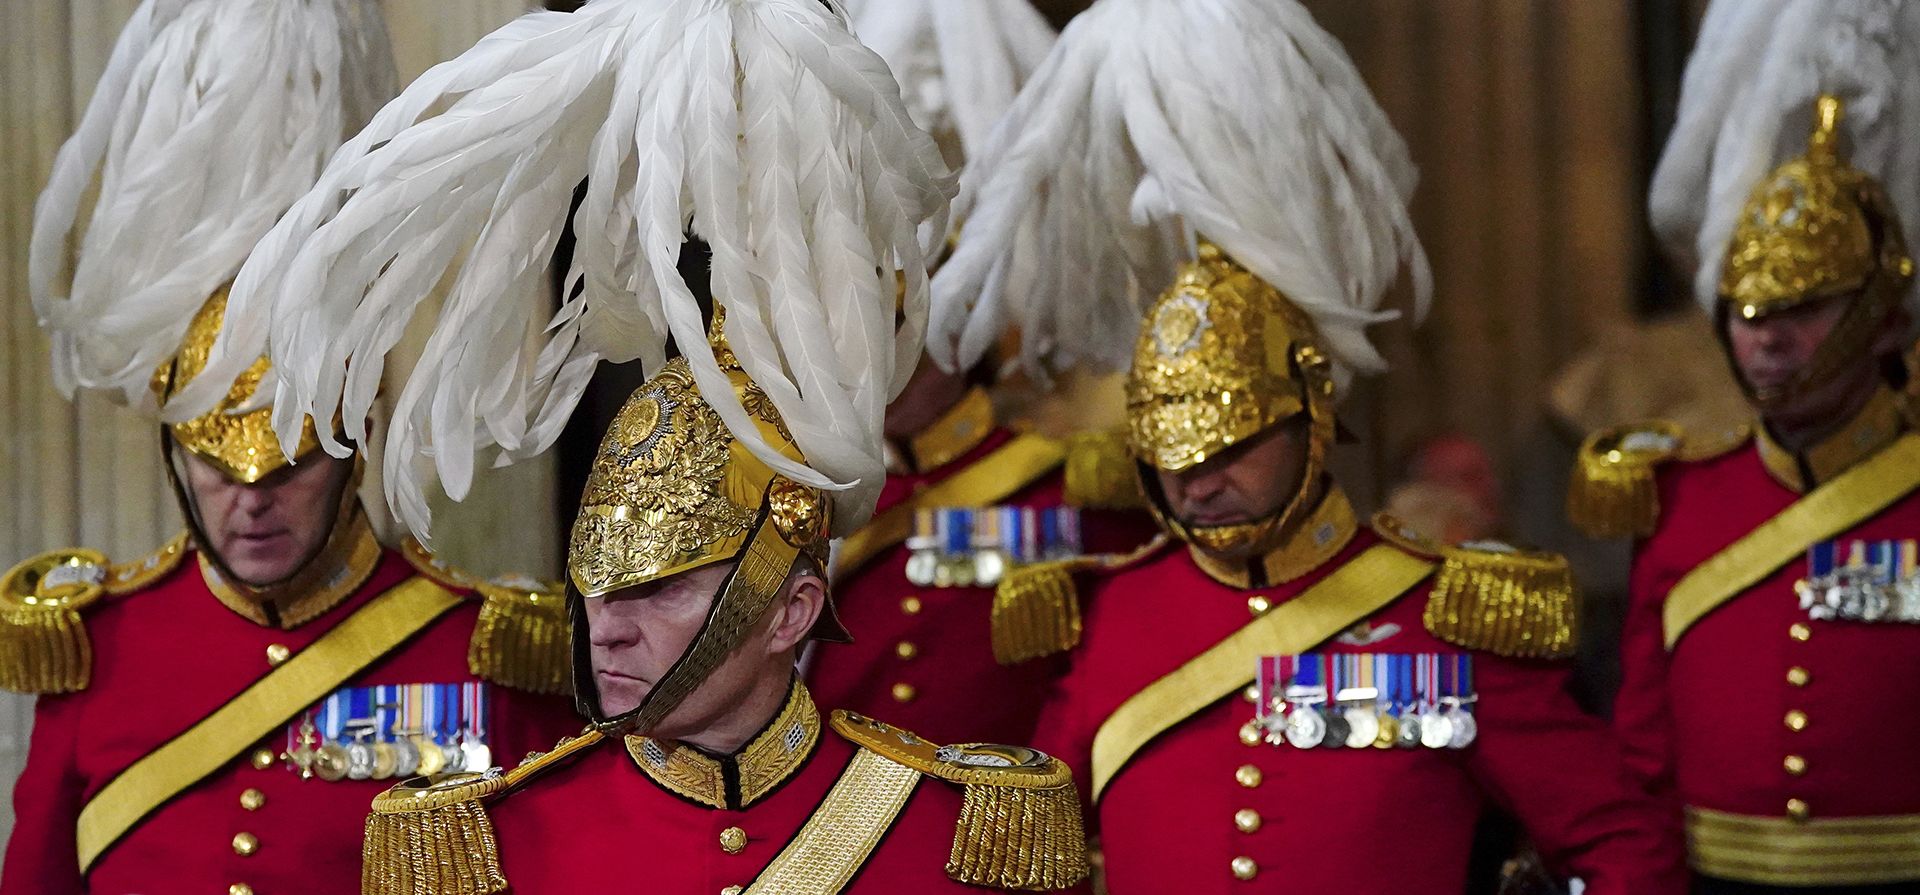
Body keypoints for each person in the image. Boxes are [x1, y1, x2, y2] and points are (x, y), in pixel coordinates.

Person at [181, 1, 1093, 891]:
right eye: (598, 585)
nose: (605, 627)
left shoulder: (954, 839)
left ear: (791, 611)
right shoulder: (502, 848)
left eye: (658, 587)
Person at [927, 0, 1689, 892]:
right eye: (1171, 457)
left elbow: (1618, 841)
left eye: (1230, 448)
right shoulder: (1113, 613)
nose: (1196, 483)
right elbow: (1033, 855)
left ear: (1310, 417)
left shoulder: (1443, 616)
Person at [0, 3, 576, 894]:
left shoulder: (476, 652)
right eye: (216, 467)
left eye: (291, 465)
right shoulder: (98, 648)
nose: (251, 497)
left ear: (356, 445)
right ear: (174, 454)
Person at [1570, 2, 1920, 890]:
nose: (1765, 338)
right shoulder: (1683, 496)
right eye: (1748, 311)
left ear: (1885, 322)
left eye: (1803, 309)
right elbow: (1646, 768)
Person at [806, 0, 1157, 746]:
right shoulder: (802, 496)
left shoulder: (1067, 492)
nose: (874, 367)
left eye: (898, 332)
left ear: (961, 332)